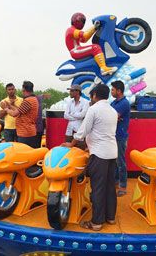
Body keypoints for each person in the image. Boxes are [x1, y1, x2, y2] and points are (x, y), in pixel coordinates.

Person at [62, 84, 118, 231]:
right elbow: (103, 131)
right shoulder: (112, 111)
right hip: (112, 153)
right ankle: (110, 217)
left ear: (94, 95)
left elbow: (82, 131)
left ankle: (97, 222)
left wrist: (71, 144)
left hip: (99, 154)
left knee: (98, 188)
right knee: (110, 186)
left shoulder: (94, 109)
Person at [3, 81, 39, 148]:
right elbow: (20, 110)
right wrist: (10, 106)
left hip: (25, 133)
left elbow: (14, 114)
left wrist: (6, 109)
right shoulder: (33, 99)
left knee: (24, 153)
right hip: (28, 131)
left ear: (24, 89)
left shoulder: (28, 100)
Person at [111, 80, 130, 197]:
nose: (111, 91)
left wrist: (114, 117)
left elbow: (113, 116)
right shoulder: (114, 103)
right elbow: (110, 115)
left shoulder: (124, 103)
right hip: (113, 136)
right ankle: (116, 181)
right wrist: (113, 117)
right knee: (115, 161)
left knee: (121, 162)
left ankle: (123, 186)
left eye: (113, 89)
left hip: (120, 136)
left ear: (119, 91)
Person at [64, 84, 89, 149]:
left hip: (79, 131)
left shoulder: (86, 102)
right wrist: (76, 115)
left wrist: (71, 114)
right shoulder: (69, 102)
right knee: (67, 150)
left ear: (77, 92)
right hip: (69, 131)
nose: (70, 92)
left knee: (80, 150)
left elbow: (82, 115)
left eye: (72, 91)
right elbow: (65, 115)